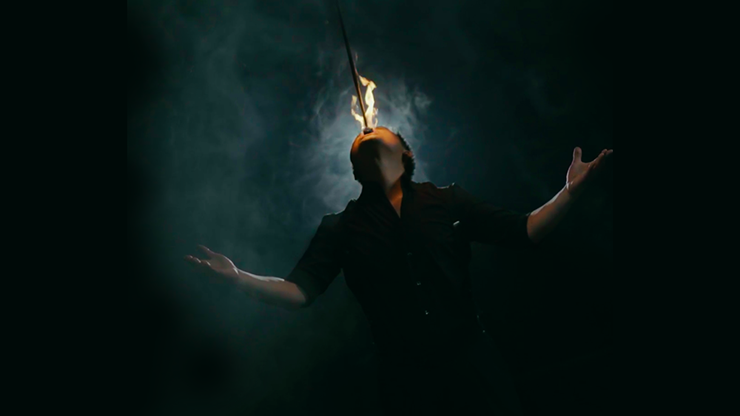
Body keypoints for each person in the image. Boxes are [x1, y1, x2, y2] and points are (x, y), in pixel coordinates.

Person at [185, 126, 613, 415]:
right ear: (356, 170)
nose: (369, 131)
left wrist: (569, 193)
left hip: (473, 363)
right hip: (407, 381)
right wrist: (239, 277)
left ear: (405, 155)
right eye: (362, 137)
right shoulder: (340, 228)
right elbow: (298, 291)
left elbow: (525, 230)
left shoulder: (447, 201)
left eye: (379, 132)